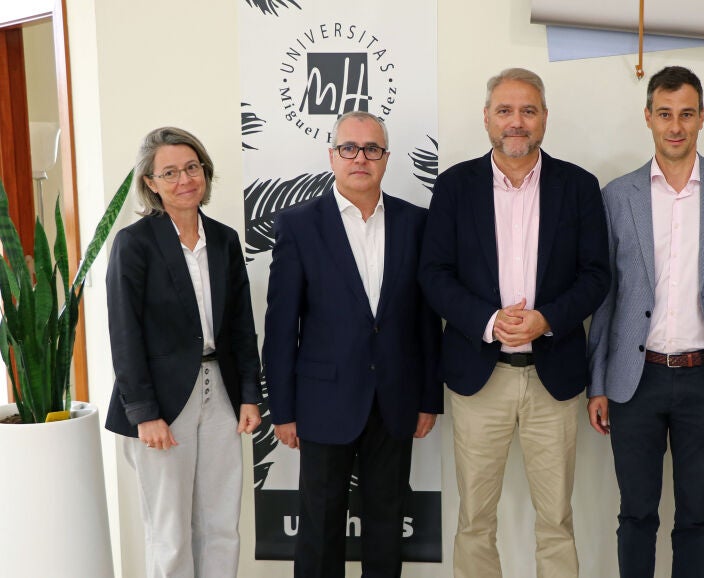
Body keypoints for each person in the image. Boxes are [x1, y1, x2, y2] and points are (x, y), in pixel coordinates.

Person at [419, 68, 610, 578]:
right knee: (475, 520)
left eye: (528, 111)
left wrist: (546, 319)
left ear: (544, 117)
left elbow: (597, 275)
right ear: (487, 117)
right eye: (505, 110)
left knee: (557, 520)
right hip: (479, 378)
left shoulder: (579, 186)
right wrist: (488, 321)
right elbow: (433, 274)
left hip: (553, 378)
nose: (516, 122)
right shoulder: (455, 186)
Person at [586, 65, 704, 578]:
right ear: (648, 117)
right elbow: (607, 298)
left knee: (696, 517)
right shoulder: (618, 196)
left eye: (686, 114)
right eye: (665, 114)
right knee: (636, 515)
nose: (676, 126)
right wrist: (599, 382)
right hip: (634, 380)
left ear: (702, 117)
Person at [263, 111, 442, 578]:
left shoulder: (416, 223)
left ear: (386, 157)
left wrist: (429, 398)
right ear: (332, 156)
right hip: (322, 400)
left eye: (372, 149)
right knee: (320, 528)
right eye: (349, 148)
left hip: (396, 399)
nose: (360, 158)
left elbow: (426, 320)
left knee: (387, 524)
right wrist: (282, 410)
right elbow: (280, 326)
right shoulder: (299, 225)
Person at [106, 126, 262, 578]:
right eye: (170, 172)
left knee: (221, 526)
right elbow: (124, 334)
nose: (184, 180)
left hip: (222, 394)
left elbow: (241, 325)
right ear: (150, 183)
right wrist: (144, 413)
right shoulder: (134, 244)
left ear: (205, 172)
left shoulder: (225, 240)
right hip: (162, 401)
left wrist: (249, 394)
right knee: (170, 532)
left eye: (192, 167)